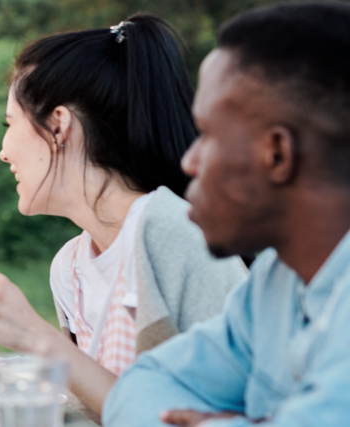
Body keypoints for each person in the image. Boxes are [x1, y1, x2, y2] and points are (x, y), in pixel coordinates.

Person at [0, 14, 247, 418]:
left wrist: (35, 335)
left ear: (58, 126)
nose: (3, 151)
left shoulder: (176, 233)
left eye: (10, 123)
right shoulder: (69, 269)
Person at [104, 3, 350, 426]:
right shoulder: (277, 278)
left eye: (208, 134)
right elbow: (142, 382)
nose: (189, 162)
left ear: (276, 154)